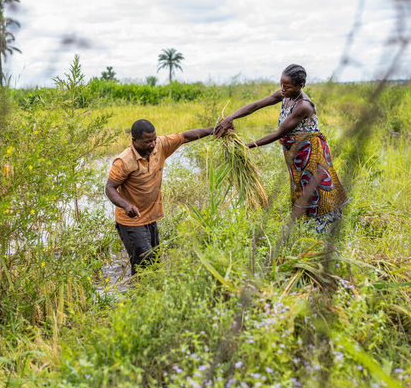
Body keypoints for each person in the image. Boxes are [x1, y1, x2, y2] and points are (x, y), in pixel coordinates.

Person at [214, 64, 348, 232]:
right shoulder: (284, 95)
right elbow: (255, 105)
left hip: (310, 151)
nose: (282, 89)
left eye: (288, 86)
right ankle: (306, 225)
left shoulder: (303, 106)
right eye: (281, 84)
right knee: (300, 186)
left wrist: (246, 146)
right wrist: (230, 117)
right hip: (295, 152)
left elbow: (279, 133)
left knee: (315, 187)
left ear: (300, 86)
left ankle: (325, 228)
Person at [106, 119, 213, 275]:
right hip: (132, 220)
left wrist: (215, 129)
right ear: (134, 140)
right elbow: (110, 188)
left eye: (154, 139)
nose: (152, 144)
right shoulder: (124, 161)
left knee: (155, 262)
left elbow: (186, 136)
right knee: (144, 263)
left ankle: (150, 294)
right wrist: (126, 205)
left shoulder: (160, 145)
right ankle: (137, 295)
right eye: (147, 141)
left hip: (151, 217)